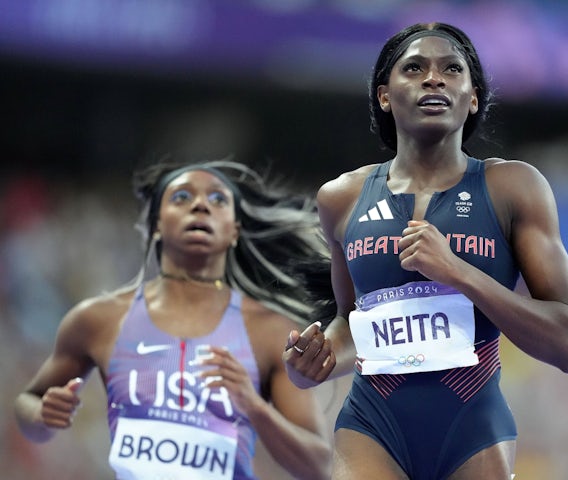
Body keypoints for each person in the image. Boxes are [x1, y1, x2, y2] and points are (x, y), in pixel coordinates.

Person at [282, 22, 568, 480]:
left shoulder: (513, 188)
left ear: (473, 97)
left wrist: (457, 271)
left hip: (472, 426)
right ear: (385, 95)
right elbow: (351, 323)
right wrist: (317, 364)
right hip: (372, 423)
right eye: (415, 68)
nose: (433, 78)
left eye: (451, 69)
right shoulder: (341, 197)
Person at [15, 157, 333, 480]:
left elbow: (320, 466)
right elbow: (29, 404)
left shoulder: (268, 331)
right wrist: (41, 417)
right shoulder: (97, 320)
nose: (200, 206)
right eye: (182, 197)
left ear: (234, 229)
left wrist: (254, 406)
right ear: (155, 223)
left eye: (218, 199)